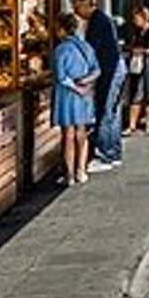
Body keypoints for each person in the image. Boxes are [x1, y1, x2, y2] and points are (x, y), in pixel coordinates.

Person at [74, 0, 125, 173]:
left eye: (77, 7)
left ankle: (106, 155)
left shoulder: (97, 21)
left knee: (105, 111)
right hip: (113, 68)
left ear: (87, 4)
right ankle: (114, 153)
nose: (76, 12)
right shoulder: (101, 19)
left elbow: (91, 50)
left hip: (109, 70)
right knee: (112, 112)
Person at [51, 13, 98, 186]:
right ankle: (81, 171)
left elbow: (61, 76)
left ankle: (69, 175)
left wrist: (76, 87)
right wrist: (85, 84)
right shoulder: (86, 46)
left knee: (68, 134)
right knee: (81, 133)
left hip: (67, 95)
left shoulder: (60, 50)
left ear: (62, 30)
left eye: (57, 28)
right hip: (85, 95)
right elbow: (96, 70)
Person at [122, 5, 149, 135]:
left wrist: (144, 51)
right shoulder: (136, 31)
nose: (134, 21)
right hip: (136, 65)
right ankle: (132, 125)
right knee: (135, 94)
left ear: (143, 18)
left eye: (136, 18)